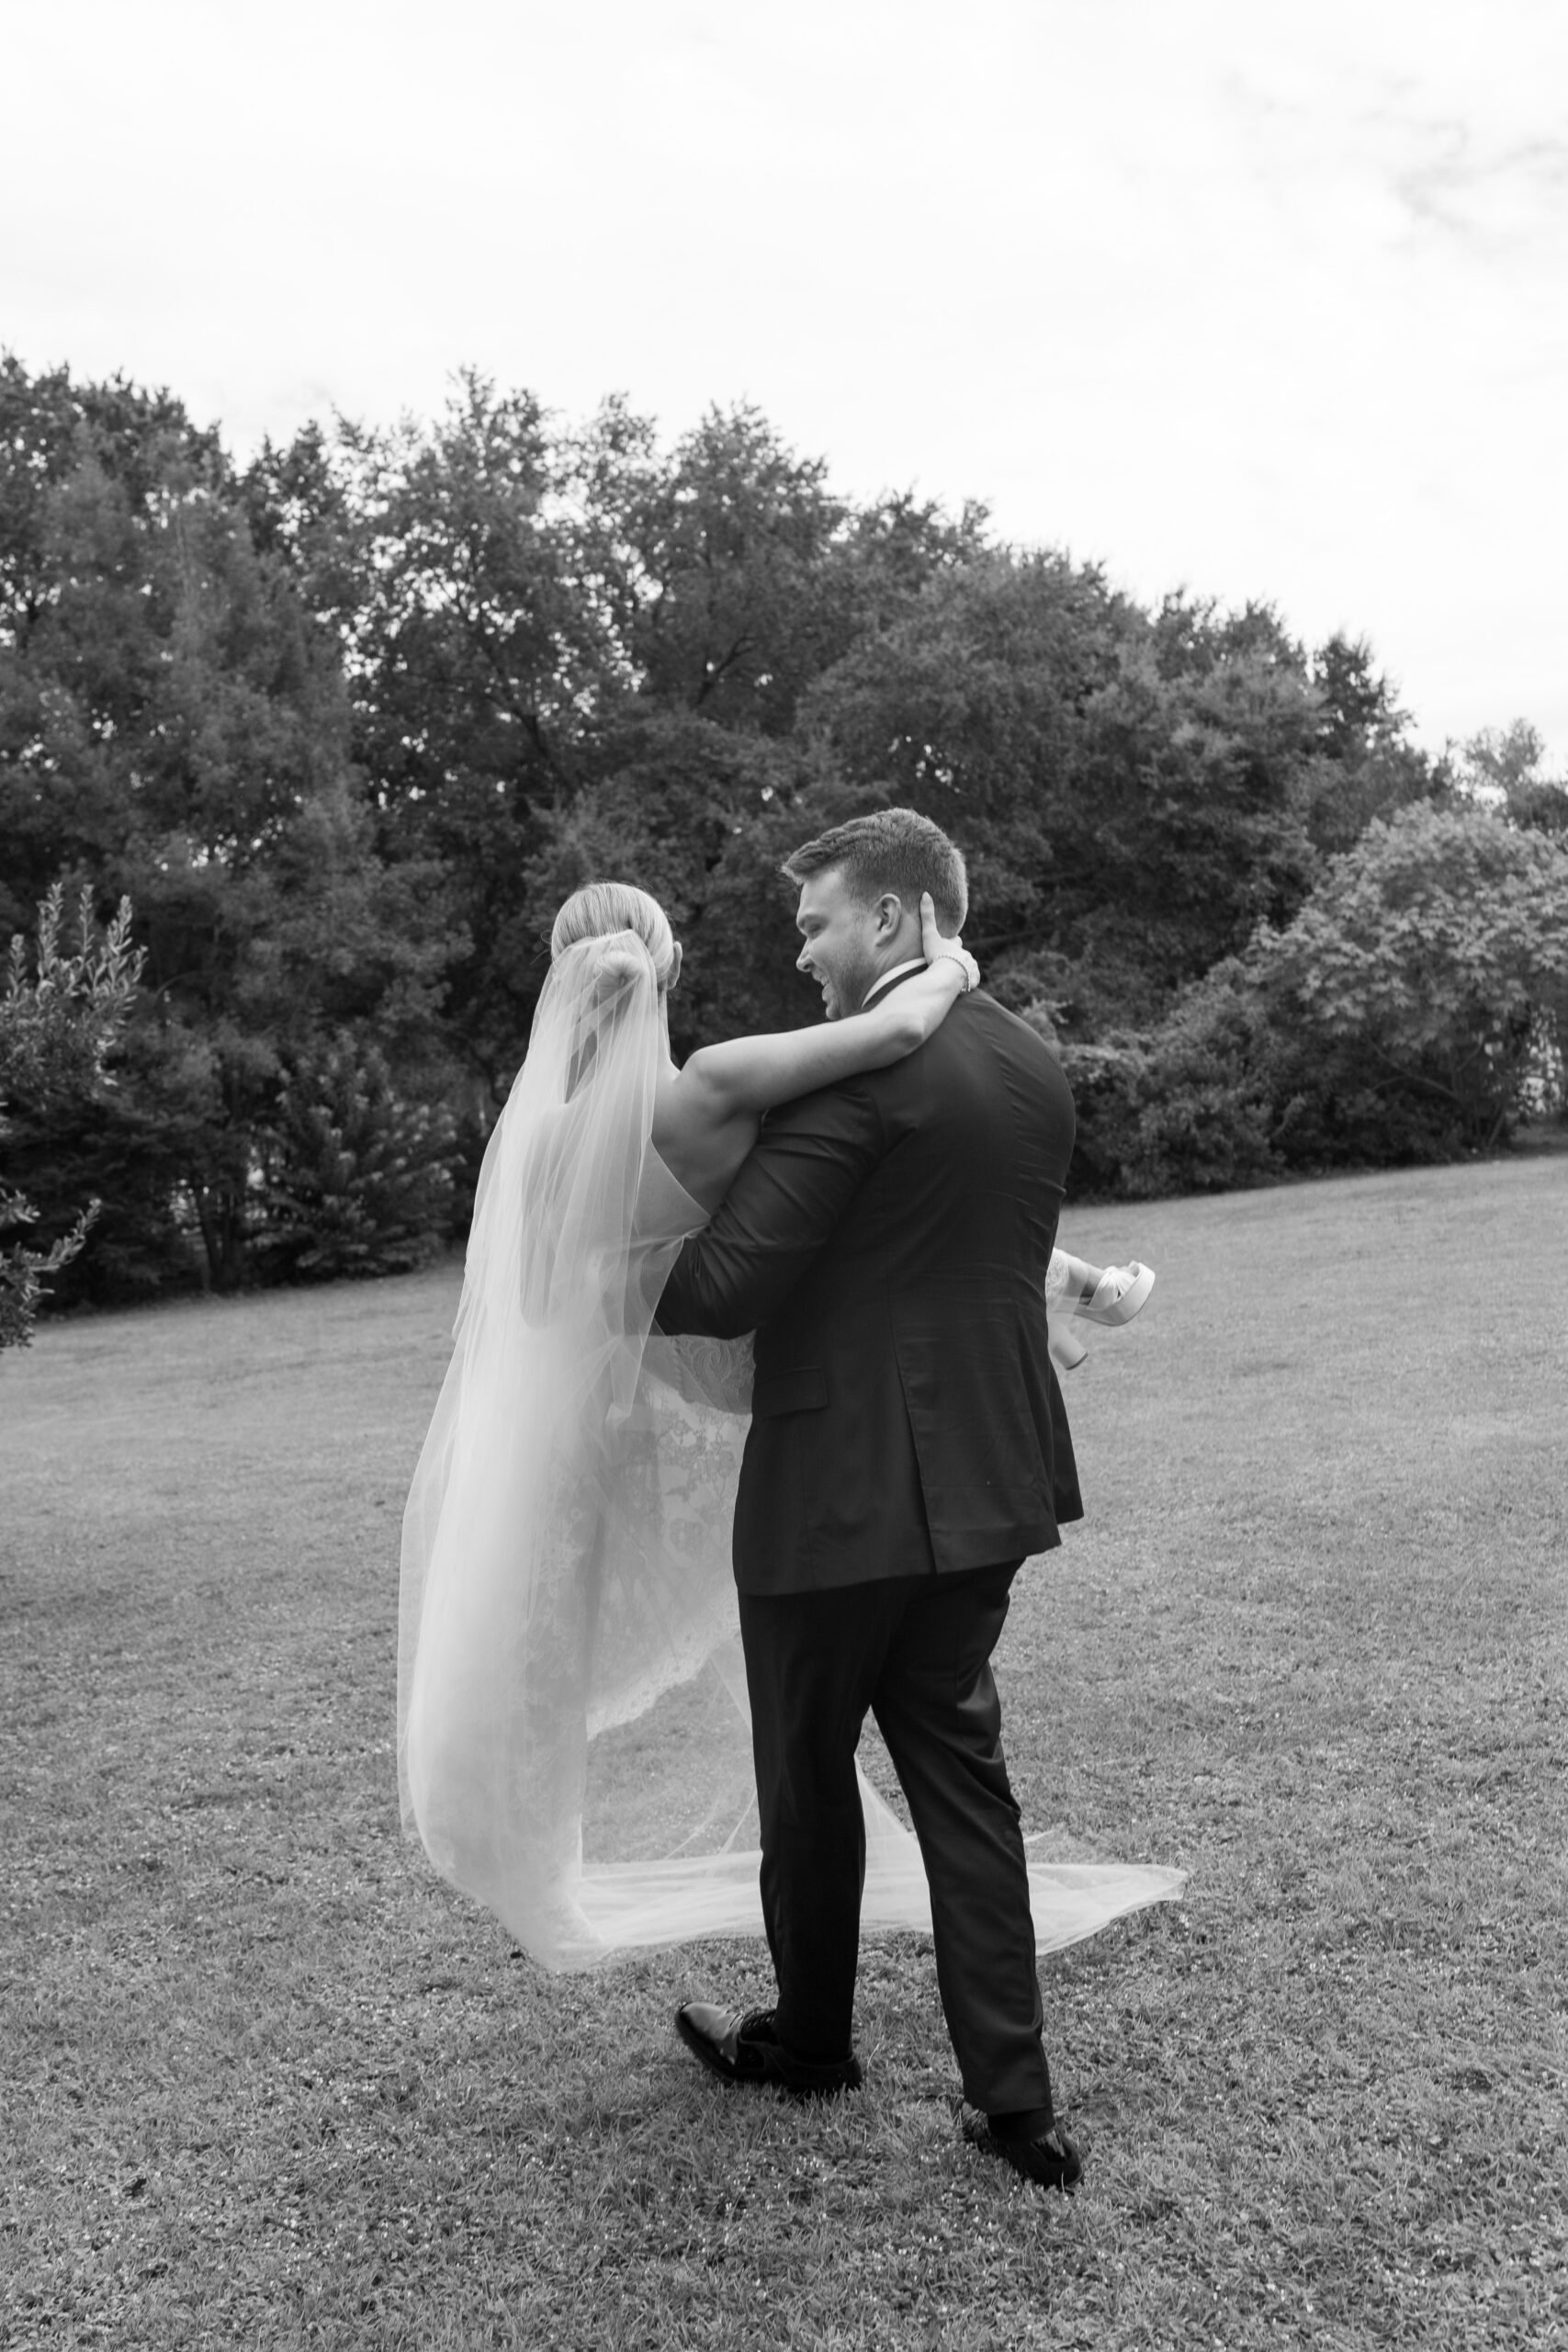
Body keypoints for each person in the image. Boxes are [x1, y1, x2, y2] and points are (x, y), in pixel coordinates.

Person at [654, 807, 1103, 2193]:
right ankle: (1017, 2109)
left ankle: (810, 2044)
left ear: (897, 917)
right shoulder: (1032, 1066)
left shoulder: (852, 1079)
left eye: (817, 924)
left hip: (833, 1496)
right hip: (991, 1477)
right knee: (964, 1778)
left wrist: (599, 1266)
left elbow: (727, 1286)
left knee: (805, 1777)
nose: (804, 955)